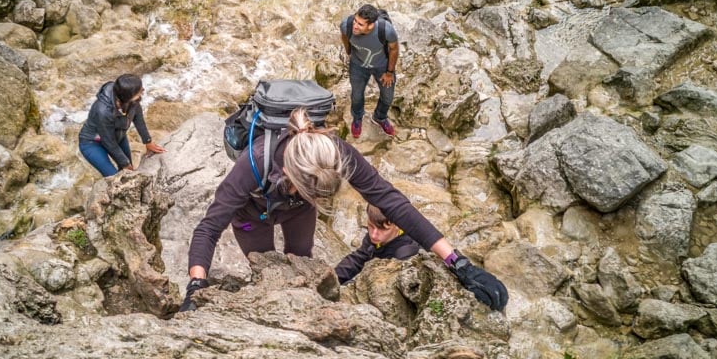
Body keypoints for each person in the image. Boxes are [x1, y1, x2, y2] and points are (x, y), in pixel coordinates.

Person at [180, 108, 507, 312]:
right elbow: (209, 227)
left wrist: (457, 262)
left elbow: (392, 201)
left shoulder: (333, 151)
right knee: (263, 262)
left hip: (298, 209)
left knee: (301, 259)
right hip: (252, 215)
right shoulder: (251, 167)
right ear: (291, 176)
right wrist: (196, 286)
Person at [334, 204, 508, 311]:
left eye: (381, 230)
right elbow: (358, 258)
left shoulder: (408, 250)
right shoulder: (376, 238)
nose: (374, 234)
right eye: (370, 227)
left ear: (398, 224)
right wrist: (332, 278)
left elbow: (434, 246)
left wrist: (462, 266)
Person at [78, 74, 165, 177]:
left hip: (118, 135)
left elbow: (138, 119)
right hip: (92, 142)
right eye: (140, 90)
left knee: (128, 171)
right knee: (114, 176)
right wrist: (125, 163)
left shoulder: (132, 101)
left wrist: (148, 142)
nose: (143, 90)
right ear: (127, 96)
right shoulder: (102, 111)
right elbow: (108, 141)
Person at [340, 4, 399, 139]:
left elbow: (394, 49)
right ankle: (357, 117)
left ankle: (380, 117)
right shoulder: (346, 25)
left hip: (382, 66)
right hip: (358, 65)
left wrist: (389, 72)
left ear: (371, 26)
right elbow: (344, 36)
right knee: (356, 95)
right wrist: (348, 50)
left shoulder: (386, 30)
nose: (355, 25)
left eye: (360, 24)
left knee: (388, 96)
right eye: (355, 20)